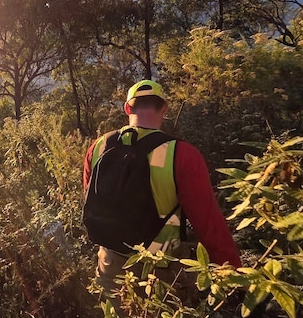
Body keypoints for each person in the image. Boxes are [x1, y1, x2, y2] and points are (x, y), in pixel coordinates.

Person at [83, 79, 242, 291]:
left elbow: (90, 198)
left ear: (127, 107)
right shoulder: (182, 154)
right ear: (164, 108)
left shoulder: (98, 147)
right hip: (160, 272)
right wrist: (235, 274)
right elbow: (208, 223)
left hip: (110, 264)